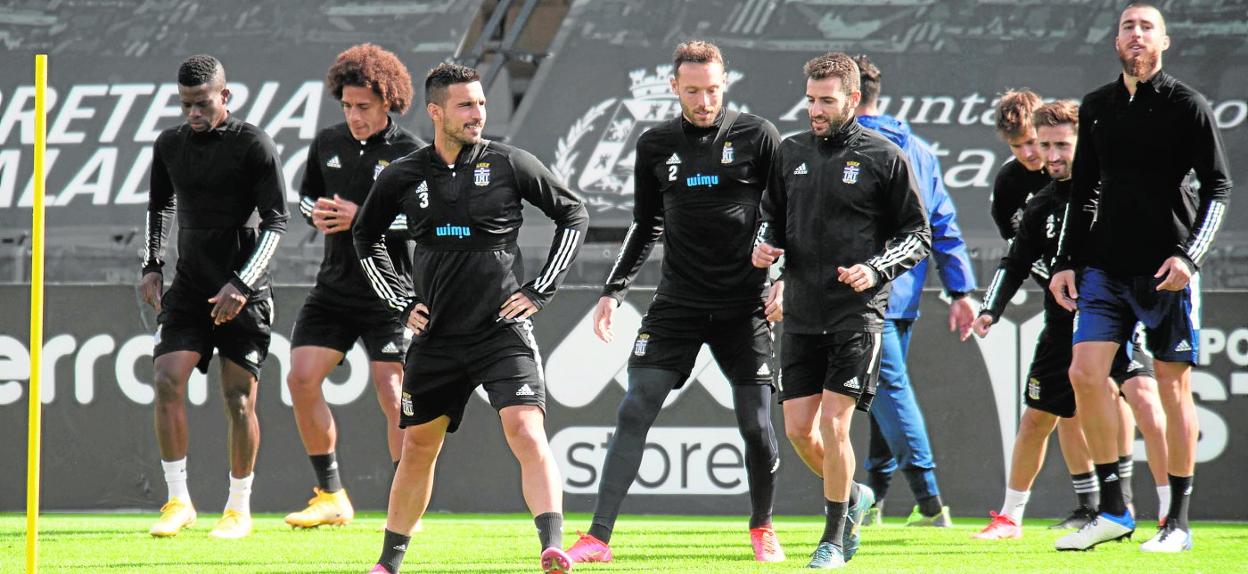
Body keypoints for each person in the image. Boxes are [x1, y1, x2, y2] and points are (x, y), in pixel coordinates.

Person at [354, 63, 589, 574]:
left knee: (526, 429)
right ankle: (388, 563)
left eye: (481, 103)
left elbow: (573, 213)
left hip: (502, 331)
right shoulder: (404, 173)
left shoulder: (510, 162)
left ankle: (552, 546)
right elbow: (364, 237)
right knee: (417, 447)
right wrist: (400, 300)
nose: (477, 113)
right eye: (465, 105)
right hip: (436, 338)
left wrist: (540, 289)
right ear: (435, 112)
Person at [564, 40, 785, 564]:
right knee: (635, 406)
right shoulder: (655, 143)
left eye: (712, 89)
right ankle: (597, 538)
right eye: (692, 91)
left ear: (725, 82)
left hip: (744, 306)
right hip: (677, 305)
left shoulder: (758, 136)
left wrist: (785, 275)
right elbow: (646, 223)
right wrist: (613, 291)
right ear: (674, 88)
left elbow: (789, 214)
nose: (704, 100)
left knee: (756, 424)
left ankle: (762, 526)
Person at [1050, 2, 1232, 552]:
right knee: (1085, 374)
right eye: (1127, 26)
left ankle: (1175, 520)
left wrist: (1189, 258)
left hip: (1166, 270)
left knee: (1173, 388)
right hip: (1105, 266)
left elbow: (1219, 189)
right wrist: (1065, 262)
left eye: (1146, 27)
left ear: (1164, 42)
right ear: (1116, 41)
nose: (1135, 35)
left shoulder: (1187, 105)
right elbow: (1082, 195)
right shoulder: (1098, 106)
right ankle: (1112, 509)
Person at [753, 52, 931, 569]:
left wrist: (875, 270)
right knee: (798, 431)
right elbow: (771, 222)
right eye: (810, 99)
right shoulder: (789, 153)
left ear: (852, 99)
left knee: (835, 426)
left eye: (826, 101)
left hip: (858, 313)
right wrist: (766, 254)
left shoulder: (884, 156)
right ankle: (853, 496)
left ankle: (833, 538)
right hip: (802, 310)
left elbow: (917, 236)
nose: (816, 109)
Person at [971, 100, 1169, 541]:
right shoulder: (1037, 200)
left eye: (1059, 145)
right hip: (1064, 320)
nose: (1046, 155)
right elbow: (1017, 257)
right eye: (1041, 146)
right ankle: (1012, 516)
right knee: (1040, 416)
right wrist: (990, 308)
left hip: (1113, 315)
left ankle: (1167, 514)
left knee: (1144, 401)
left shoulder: (1113, 187)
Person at [139, 54, 288, 539]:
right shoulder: (169, 144)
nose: (193, 113)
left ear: (225, 96)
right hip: (191, 286)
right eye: (186, 105)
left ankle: (238, 508)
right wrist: (152, 264)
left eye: (202, 103)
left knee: (238, 398)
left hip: (245, 291)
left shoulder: (254, 145)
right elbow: (159, 206)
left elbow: (277, 223)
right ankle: (177, 500)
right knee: (165, 379)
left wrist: (242, 285)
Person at [284, 44, 426, 530]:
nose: (354, 115)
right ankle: (330, 494)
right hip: (334, 286)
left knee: (392, 392)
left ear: (387, 101)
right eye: (346, 106)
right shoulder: (327, 141)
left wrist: (363, 218)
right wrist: (318, 215)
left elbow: (424, 221)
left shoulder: (410, 152)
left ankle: (404, 500)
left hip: (387, 288)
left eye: (363, 106)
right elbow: (304, 198)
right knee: (301, 378)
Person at [850, 54, 976, 528]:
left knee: (889, 393)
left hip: (865, 291)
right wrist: (960, 289)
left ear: (851, 96)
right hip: (903, 295)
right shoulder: (920, 149)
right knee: (884, 395)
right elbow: (942, 225)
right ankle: (877, 500)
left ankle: (930, 504)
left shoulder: (855, 147)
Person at [990, 89, 1110, 529]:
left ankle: (1143, 506)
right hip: (1057, 301)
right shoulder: (1010, 184)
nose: (1032, 154)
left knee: (1124, 393)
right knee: (1056, 409)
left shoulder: (1086, 173)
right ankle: (1080, 506)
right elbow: (1017, 250)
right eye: (1019, 147)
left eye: (1036, 143)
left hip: (1100, 300)